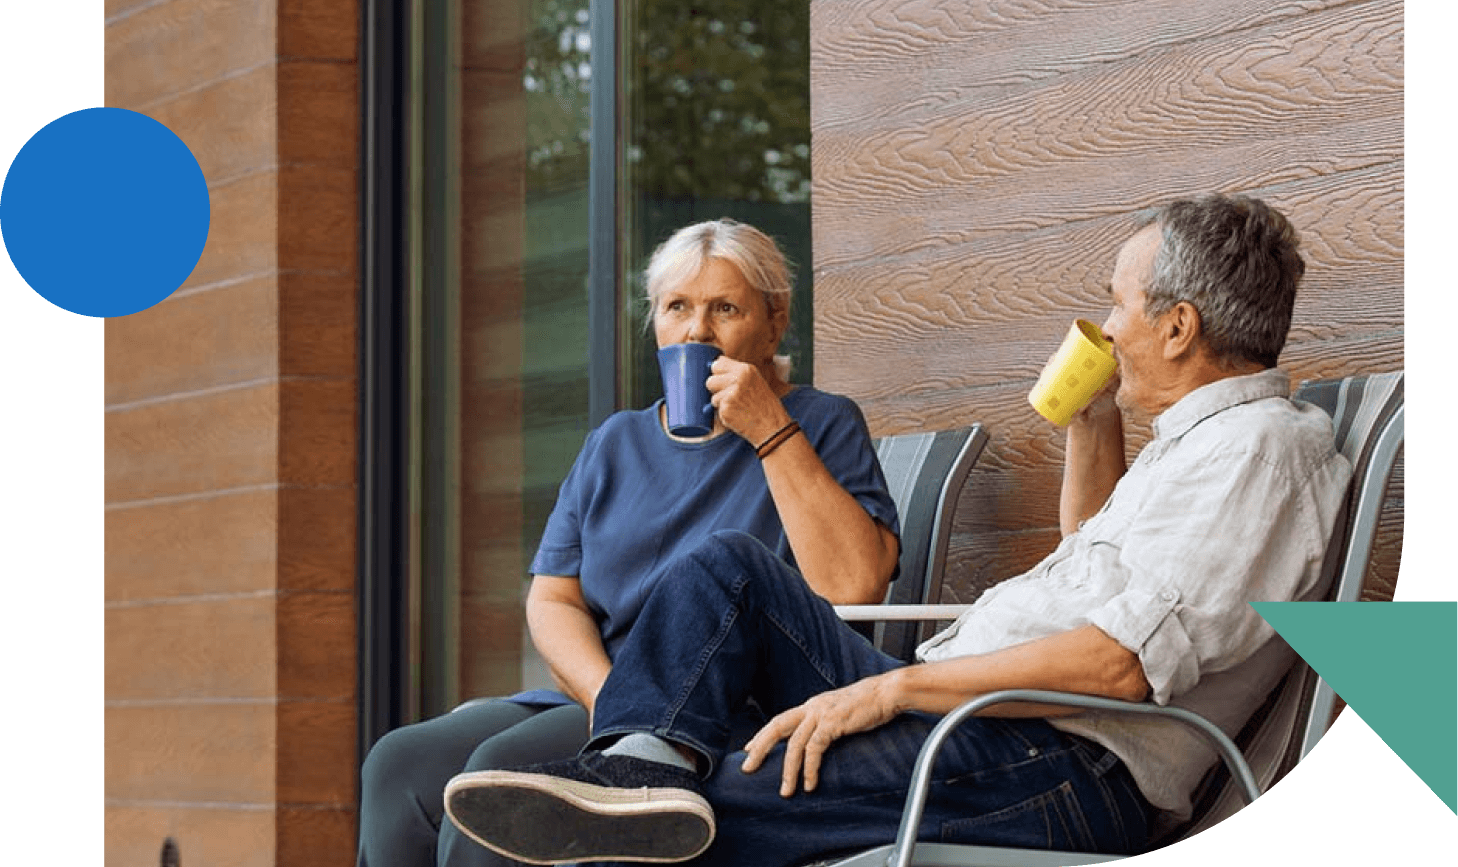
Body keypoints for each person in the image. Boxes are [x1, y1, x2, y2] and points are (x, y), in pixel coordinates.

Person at [440, 193, 1355, 866]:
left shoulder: (1260, 453)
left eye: (1117, 303)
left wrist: (902, 688)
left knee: (683, 813)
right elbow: (1092, 557)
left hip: (1053, 763)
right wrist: (1094, 418)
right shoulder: (1192, 446)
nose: (1106, 326)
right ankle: (635, 760)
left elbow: (1120, 664)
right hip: (982, 725)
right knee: (728, 568)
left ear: (1180, 324)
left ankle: (639, 786)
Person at [356, 218, 901, 867]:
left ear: (774, 322)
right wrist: (612, 697)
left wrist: (770, 431)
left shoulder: (818, 423)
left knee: (499, 776)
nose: (698, 331)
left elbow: (854, 586)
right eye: (678, 307)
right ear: (656, 324)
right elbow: (553, 599)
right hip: (601, 690)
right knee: (399, 763)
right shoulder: (614, 443)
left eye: (725, 308)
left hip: (722, 704)